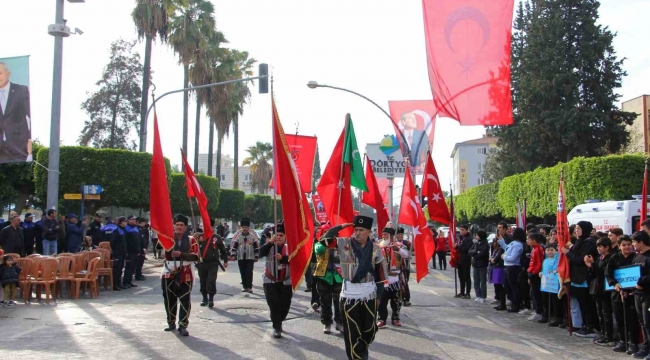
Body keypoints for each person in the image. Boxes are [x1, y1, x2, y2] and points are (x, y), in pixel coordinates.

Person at [320, 216, 388, 360]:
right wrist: (340, 227)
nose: (357, 233)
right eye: (355, 229)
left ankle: (361, 351)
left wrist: (379, 298)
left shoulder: (376, 249)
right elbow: (324, 240)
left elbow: (381, 277)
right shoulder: (343, 243)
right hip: (349, 296)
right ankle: (358, 357)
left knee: (369, 330)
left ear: (369, 231)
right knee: (352, 332)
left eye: (361, 230)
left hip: (369, 295)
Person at [161, 214, 199, 337]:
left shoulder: (191, 239)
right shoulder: (167, 238)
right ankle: (171, 322)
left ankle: (183, 325)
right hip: (168, 272)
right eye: (177, 225)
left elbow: (196, 256)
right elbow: (159, 246)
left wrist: (181, 254)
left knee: (185, 300)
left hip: (186, 272)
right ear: (173, 226)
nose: (179, 227)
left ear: (185, 227)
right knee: (169, 299)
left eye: (181, 225)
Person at [562, 221, 599, 338]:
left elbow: (580, 260)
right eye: (576, 228)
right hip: (576, 277)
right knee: (581, 304)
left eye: (579, 228)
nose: (576, 231)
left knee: (587, 304)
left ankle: (590, 326)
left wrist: (568, 253)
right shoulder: (579, 241)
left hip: (584, 277)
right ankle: (584, 324)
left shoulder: (589, 243)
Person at [606, 235, 639, 353]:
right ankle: (622, 341)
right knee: (619, 318)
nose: (627, 247)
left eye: (629, 244)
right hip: (617, 293)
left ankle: (634, 343)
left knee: (632, 320)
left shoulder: (636, 257)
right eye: (624, 245)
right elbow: (608, 274)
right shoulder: (614, 258)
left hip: (632, 294)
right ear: (619, 246)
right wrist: (615, 284)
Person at [259, 221, 293, 338]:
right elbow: (260, 253)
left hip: (286, 281)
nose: (278, 237)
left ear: (285, 237)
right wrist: (270, 243)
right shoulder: (269, 246)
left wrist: (283, 258)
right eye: (276, 235)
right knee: (274, 305)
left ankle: (280, 320)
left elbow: (296, 260)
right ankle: (276, 326)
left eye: (281, 235)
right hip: (270, 280)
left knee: (285, 305)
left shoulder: (290, 247)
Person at [377, 223, 409, 328]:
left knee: (396, 302)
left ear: (391, 235)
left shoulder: (399, 245)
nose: (384, 236)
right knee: (381, 302)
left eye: (386, 234)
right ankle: (382, 319)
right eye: (383, 234)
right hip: (382, 279)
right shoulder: (377, 245)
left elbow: (407, 255)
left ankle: (395, 318)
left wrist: (398, 250)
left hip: (395, 279)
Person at [313, 222, 342, 334]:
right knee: (325, 301)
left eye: (330, 232)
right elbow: (319, 251)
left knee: (339, 301)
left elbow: (344, 257)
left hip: (338, 276)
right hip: (323, 276)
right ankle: (327, 323)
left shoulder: (339, 244)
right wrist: (327, 243)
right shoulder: (319, 244)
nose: (327, 234)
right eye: (325, 232)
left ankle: (339, 323)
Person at [585, 237, 614, 346]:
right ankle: (603, 333)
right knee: (600, 313)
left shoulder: (610, 258)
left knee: (606, 314)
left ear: (607, 247)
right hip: (596, 289)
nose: (598, 249)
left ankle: (608, 336)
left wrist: (592, 264)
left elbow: (604, 273)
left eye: (600, 247)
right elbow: (593, 273)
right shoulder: (599, 258)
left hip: (605, 289)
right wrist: (590, 266)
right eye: (597, 246)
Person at [0, 62, 31, 163]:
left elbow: (30, 116)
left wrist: (30, 139)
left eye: (0, 73)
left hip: (18, 147)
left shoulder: (21, 90)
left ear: (8, 74)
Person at [196, 223, 228, 308]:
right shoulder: (198, 237)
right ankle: (204, 298)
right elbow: (193, 248)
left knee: (211, 281)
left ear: (212, 227)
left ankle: (211, 299)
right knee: (203, 281)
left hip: (213, 263)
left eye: (209, 226)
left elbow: (223, 249)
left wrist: (225, 260)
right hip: (201, 263)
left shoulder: (216, 237)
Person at [632, 231, 650, 359]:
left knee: (648, 322)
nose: (633, 245)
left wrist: (640, 281)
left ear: (641, 242)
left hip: (648, 295)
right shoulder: (637, 257)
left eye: (634, 242)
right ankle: (645, 347)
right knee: (642, 322)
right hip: (637, 294)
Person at [229, 217, 259, 293]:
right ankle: (245, 286)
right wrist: (233, 255)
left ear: (248, 228)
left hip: (250, 257)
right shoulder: (238, 236)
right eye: (243, 227)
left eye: (246, 227)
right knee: (242, 272)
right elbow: (234, 247)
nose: (245, 229)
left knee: (249, 272)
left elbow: (256, 247)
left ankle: (249, 287)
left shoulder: (252, 236)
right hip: (241, 257)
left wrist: (256, 256)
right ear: (241, 228)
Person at [541, 243, 564, 327]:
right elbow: (544, 270)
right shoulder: (545, 260)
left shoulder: (556, 259)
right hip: (547, 284)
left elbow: (556, 270)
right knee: (547, 300)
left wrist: (549, 273)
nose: (550, 252)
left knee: (556, 301)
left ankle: (559, 318)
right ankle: (549, 315)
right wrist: (542, 273)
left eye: (552, 250)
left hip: (554, 284)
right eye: (548, 250)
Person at [503, 227, 525, 313]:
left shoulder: (518, 245)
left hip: (513, 267)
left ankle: (516, 304)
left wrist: (504, 257)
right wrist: (501, 241)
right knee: (508, 286)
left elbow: (512, 257)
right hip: (508, 266)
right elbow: (506, 248)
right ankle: (513, 302)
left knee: (514, 287)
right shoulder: (513, 243)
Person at [526, 233, 546, 322]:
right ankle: (536, 310)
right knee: (533, 293)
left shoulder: (538, 249)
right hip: (532, 273)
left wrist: (533, 273)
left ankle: (539, 312)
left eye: (529, 240)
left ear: (534, 240)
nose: (528, 241)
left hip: (536, 275)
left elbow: (539, 263)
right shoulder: (534, 249)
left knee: (537, 294)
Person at [469, 230, 490, 303]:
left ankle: (483, 296)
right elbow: (470, 251)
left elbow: (482, 254)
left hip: (482, 265)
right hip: (475, 264)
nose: (476, 236)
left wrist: (476, 253)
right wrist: (475, 252)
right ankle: (478, 295)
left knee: (483, 281)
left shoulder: (486, 244)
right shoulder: (476, 243)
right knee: (476, 281)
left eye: (477, 235)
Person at [455, 224, 473, 299]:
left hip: (466, 260)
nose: (461, 231)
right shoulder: (460, 238)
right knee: (461, 277)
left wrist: (458, 247)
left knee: (466, 277)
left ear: (466, 230)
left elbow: (467, 249)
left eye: (463, 230)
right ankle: (462, 292)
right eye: (460, 230)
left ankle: (467, 293)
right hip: (459, 260)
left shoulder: (469, 239)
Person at [110, 217, 128, 291]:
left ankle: (119, 283)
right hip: (117, 253)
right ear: (121, 222)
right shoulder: (116, 230)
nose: (125, 223)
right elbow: (112, 242)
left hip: (122, 253)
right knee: (116, 269)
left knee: (120, 269)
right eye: (124, 221)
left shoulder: (123, 230)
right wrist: (116, 249)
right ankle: (114, 285)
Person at [123, 215, 140, 288]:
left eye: (135, 219)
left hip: (135, 251)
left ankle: (130, 281)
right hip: (129, 251)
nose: (135, 221)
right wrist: (126, 251)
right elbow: (125, 241)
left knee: (133, 267)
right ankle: (125, 282)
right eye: (133, 219)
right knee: (128, 267)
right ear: (129, 220)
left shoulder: (136, 228)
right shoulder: (126, 228)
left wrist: (139, 249)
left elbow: (138, 240)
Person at [397, 227, 412, 306]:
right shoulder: (393, 243)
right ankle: (398, 298)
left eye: (401, 234)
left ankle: (406, 299)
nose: (400, 236)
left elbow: (410, 252)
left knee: (405, 283)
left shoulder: (407, 243)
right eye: (399, 234)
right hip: (396, 267)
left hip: (405, 267)